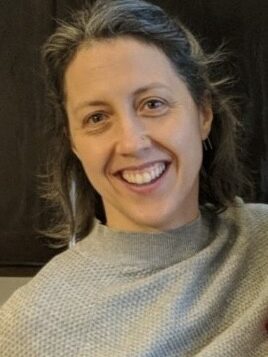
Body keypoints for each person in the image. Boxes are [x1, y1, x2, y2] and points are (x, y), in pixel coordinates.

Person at [0, 0, 267, 355]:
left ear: (203, 114)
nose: (131, 143)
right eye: (97, 117)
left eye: (153, 104)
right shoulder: (31, 325)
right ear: (74, 143)